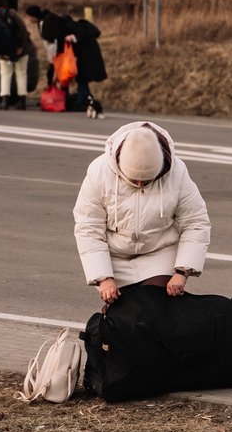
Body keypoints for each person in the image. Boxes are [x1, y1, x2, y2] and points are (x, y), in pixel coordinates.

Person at [73, 121, 211, 306]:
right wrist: (103, 278)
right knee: (122, 318)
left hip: (159, 252)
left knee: (150, 308)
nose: (140, 185)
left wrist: (182, 272)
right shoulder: (99, 172)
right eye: (133, 179)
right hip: (115, 257)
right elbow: (88, 228)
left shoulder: (177, 172)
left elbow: (196, 221)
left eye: (147, 180)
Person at [0, 0, 32, 110]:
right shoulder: (12, 13)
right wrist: (21, 46)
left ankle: (4, 101)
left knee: (5, 75)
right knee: (21, 74)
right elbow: (23, 29)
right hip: (20, 51)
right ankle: (22, 102)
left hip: (3, 53)